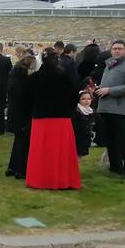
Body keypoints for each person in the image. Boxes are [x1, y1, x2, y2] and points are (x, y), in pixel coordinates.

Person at [25, 50, 81, 189]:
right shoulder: (64, 77)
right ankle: (62, 179)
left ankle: (40, 180)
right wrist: (68, 109)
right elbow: (74, 95)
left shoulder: (34, 77)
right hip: (61, 118)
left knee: (41, 151)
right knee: (60, 150)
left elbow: (26, 98)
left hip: (40, 118)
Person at [96, 40, 125, 178]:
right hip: (105, 107)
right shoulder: (109, 65)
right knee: (110, 139)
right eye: (114, 48)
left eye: (120, 48)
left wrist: (109, 90)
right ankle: (115, 167)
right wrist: (99, 89)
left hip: (120, 108)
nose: (116, 51)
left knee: (122, 139)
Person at [5, 55, 36, 179]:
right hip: (23, 115)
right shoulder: (24, 80)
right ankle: (20, 170)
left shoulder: (14, 77)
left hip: (15, 114)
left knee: (18, 142)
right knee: (23, 143)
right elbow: (26, 99)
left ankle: (13, 167)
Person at [73, 90, 95, 157]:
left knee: (80, 156)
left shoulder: (90, 111)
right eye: (83, 99)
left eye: (88, 99)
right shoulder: (76, 112)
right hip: (77, 139)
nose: (86, 101)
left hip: (85, 139)